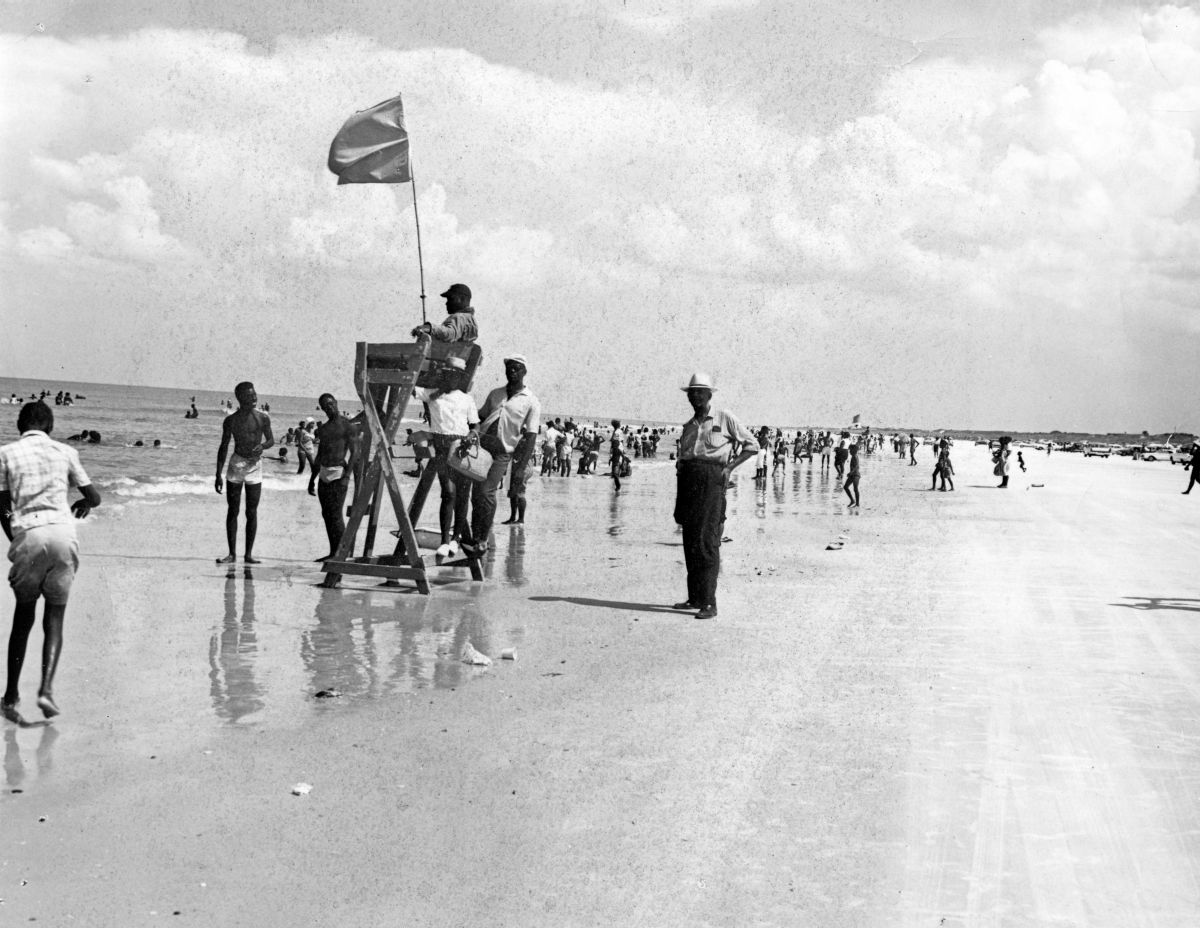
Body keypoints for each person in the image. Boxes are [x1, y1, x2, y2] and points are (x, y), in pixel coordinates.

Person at [1, 401, 101, 724]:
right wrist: (84, 502)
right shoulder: (66, 452)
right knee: (54, 618)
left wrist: (15, 538)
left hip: (29, 535)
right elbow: (95, 496)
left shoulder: (5, 454)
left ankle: (11, 694)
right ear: (51, 426)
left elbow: (1, 506)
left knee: (23, 618)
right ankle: (46, 689)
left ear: (20, 424)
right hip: (63, 534)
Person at [673, 374, 756, 620]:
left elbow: (752, 445)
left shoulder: (724, 417)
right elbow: (683, 459)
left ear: (710, 395)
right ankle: (695, 597)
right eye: (692, 392)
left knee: (707, 541)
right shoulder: (689, 425)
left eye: (700, 392)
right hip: (688, 481)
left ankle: (709, 603)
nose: (695, 396)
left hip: (711, 480)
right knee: (689, 540)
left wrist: (729, 468)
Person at [458, 355, 540, 557]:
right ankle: (476, 537)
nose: (512, 371)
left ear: (524, 372)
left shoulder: (531, 401)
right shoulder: (495, 394)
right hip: (481, 449)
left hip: (502, 453)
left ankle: (482, 539)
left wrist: (520, 469)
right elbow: (480, 416)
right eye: (509, 368)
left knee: (487, 492)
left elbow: (530, 436)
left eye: (517, 368)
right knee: (476, 496)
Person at [409, 358, 479, 554]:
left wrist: (472, 435)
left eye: (456, 375)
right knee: (448, 493)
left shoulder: (467, 398)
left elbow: (475, 425)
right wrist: (432, 376)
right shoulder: (431, 395)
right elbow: (410, 386)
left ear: (461, 378)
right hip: (441, 448)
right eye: (448, 374)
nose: (452, 378)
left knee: (463, 495)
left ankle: (456, 538)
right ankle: (445, 540)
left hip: (462, 447)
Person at [214, 382, 274, 564]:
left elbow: (271, 440)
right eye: (249, 395)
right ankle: (232, 554)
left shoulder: (263, 418)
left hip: (255, 467)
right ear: (240, 398)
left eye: (254, 394)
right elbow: (223, 447)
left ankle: (248, 555)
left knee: (251, 512)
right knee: (233, 510)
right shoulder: (231, 420)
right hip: (237, 464)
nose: (254, 398)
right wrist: (218, 474)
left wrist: (263, 446)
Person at [311, 393, 357, 560]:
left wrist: (347, 476)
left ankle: (342, 553)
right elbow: (319, 455)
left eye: (331, 404)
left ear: (336, 403)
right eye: (326, 406)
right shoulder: (323, 429)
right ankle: (333, 552)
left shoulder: (347, 425)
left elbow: (354, 453)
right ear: (323, 409)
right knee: (326, 514)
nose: (330, 407)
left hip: (339, 473)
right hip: (324, 473)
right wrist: (312, 479)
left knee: (336, 514)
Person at [411, 283, 479, 344]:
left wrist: (430, 328)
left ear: (462, 299)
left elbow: (450, 333)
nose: (446, 303)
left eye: (451, 299)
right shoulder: (470, 319)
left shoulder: (460, 317)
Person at [843, 442, 861, 507]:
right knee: (845, 487)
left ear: (853, 450)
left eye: (850, 450)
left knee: (855, 488)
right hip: (852, 475)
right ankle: (852, 500)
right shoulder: (853, 456)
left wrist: (851, 472)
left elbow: (857, 466)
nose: (849, 451)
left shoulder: (855, 456)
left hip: (856, 475)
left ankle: (857, 503)